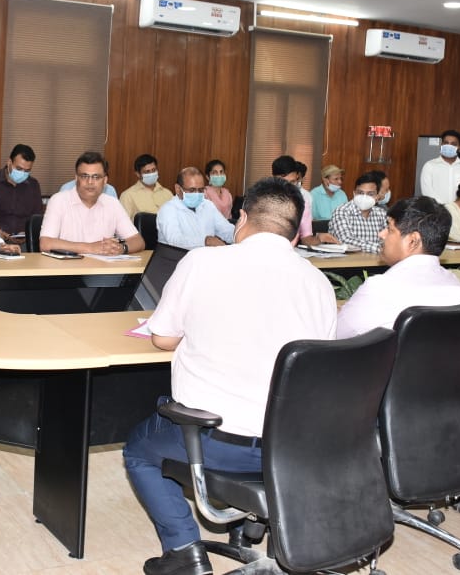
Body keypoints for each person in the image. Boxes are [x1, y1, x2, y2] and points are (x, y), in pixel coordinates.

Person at [122, 178, 337, 575]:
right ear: (294, 236)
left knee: (138, 450)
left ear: (241, 219)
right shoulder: (318, 283)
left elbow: (163, 337)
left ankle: (184, 551)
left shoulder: (202, 262)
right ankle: (243, 529)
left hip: (216, 440)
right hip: (291, 445)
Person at [337, 197, 460, 338]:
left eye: (389, 229)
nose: (381, 234)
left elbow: (335, 334)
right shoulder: (456, 287)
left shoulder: (381, 287)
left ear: (412, 241)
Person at [41, 152, 145, 255]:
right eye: (84, 176)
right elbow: (46, 244)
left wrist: (121, 248)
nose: (90, 182)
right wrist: (91, 248)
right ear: (76, 178)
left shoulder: (112, 203)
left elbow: (138, 241)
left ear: (105, 180)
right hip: (68, 265)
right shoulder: (59, 200)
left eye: (96, 177)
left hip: (103, 265)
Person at [157, 167, 235, 249]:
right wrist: (205, 241)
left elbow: (226, 230)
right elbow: (174, 240)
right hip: (179, 256)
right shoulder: (168, 209)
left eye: (201, 190)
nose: (197, 194)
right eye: (192, 190)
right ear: (178, 189)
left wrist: (239, 235)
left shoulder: (207, 205)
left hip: (206, 255)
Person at [0, 143, 43, 241]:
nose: (22, 173)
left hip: (25, 241)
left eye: (27, 171)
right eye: (19, 168)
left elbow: (37, 217)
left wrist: (26, 232)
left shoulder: (33, 185)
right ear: (9, 162)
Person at [270, 155, 335, 245]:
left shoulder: (302, 201)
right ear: (274, 178)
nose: (288, 187)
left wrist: (320, 238)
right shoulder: (261, 199)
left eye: (292, 182)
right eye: (283, 182)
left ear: (297, 178)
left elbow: (306, 239)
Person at [329, 172, 387, 253]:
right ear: (354, 193)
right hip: (348, 260)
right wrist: (380, 249)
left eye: (370, 194)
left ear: (377, 196)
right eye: (360, 193)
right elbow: (345, 240)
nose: (364, 197)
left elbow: (387, 240)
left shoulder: (381, 214)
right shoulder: (342, 211)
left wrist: (387, 248)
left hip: (375, 259)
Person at [420, 129, 460, 204]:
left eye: (453, 144)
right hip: (436, 209)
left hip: (459, 209)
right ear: (441, 145)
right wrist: (443, 207)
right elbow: (427, 192)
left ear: (459, 147)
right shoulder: (429, 166)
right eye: (446, 143)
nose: (449, 146)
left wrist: (455, 207)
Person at [120, 153, 174, 218]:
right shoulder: (127, 196)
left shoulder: (168, 194)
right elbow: (123, 222)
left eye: (153, 170)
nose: (151, 174)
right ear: (138, 174)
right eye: (147, 172)